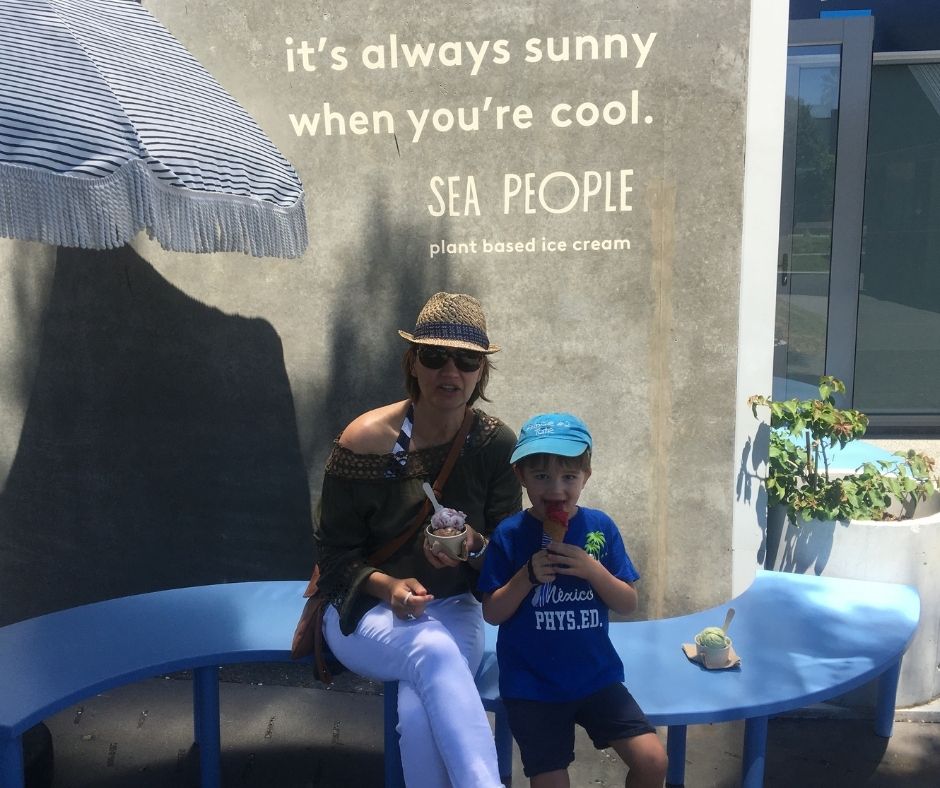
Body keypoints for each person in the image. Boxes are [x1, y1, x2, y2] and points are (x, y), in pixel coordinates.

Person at [316, 292, 522, 788]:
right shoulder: (364, 441)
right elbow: (334, 557)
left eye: (467, 359)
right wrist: (388, 587)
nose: (449, 371)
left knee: (418, 714)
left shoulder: (495, 445)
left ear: (480, 372)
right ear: (413, 362)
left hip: (454, 608)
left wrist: (472, 545)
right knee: (431, 652)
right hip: (363, 612)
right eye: (434, 356)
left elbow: (508, 556)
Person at [478, 413, 668, 788]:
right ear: (521, 476)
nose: (556, 490)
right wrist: (525, 577)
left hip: (596, 678)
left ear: (586, 476)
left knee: (653, 761)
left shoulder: (600, 527)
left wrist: (593, 570)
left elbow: (628, 602)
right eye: (541, 476)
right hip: (532, 685)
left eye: (569, 477)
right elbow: (493, 612)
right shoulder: (510, 534)